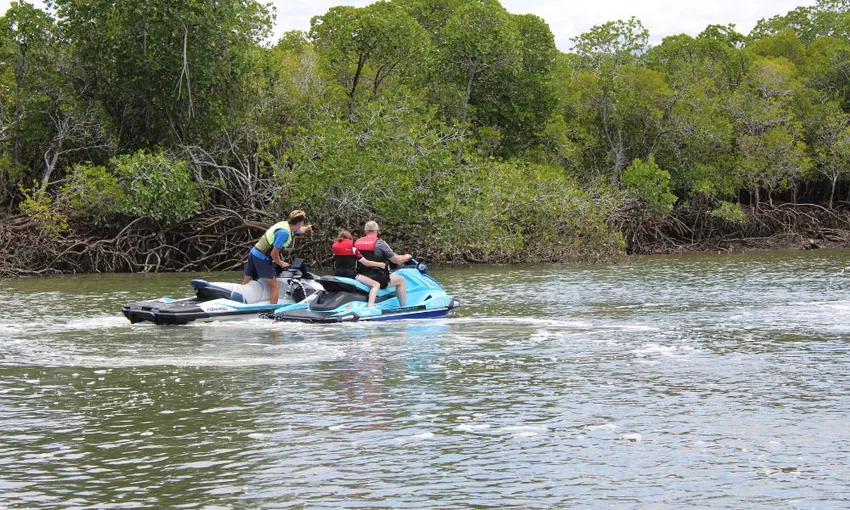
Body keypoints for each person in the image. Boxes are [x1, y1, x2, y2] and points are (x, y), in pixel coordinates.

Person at [242, 209, 312, 304]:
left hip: (253, 253)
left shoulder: (286, 224)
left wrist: (308, 228)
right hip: (261, 258)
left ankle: (242, 301)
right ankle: (271, 313)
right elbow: (273, 254)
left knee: (247, 280)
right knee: (275, 286)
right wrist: (281, 263)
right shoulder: (284, 233)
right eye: (302, 222)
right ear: (299, 222)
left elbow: (299, 231)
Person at [354, 220, 412, 307]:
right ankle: (404, 307)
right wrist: (406, 257)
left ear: (365, 231)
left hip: (361, 276)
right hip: (377, 277)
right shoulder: (380, 243)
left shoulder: (357, 242)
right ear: (377, 230)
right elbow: (396, 260)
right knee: (401, 280)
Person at [331, 231, 386, 307]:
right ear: (350, 239)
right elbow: (366, 263)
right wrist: (380, 264)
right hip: (351, 275)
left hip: (337, 274)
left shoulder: (335, 249)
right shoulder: (353, 249)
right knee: (376, 285)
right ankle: (371, 306)